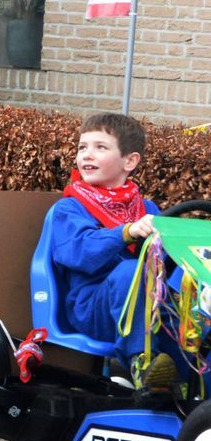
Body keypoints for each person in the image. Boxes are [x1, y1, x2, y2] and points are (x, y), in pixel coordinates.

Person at [43, 112, 177, 381]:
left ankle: (196, 383)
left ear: (130, 161)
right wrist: (126, 232)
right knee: (130, 272)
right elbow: (79, 252)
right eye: (82, 147)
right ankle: (141, 364)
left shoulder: (146, 208)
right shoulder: (69, 208)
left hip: (149, 307)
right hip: (92, 310)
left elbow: (165, 261)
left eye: (100, 147)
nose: (87, 155)